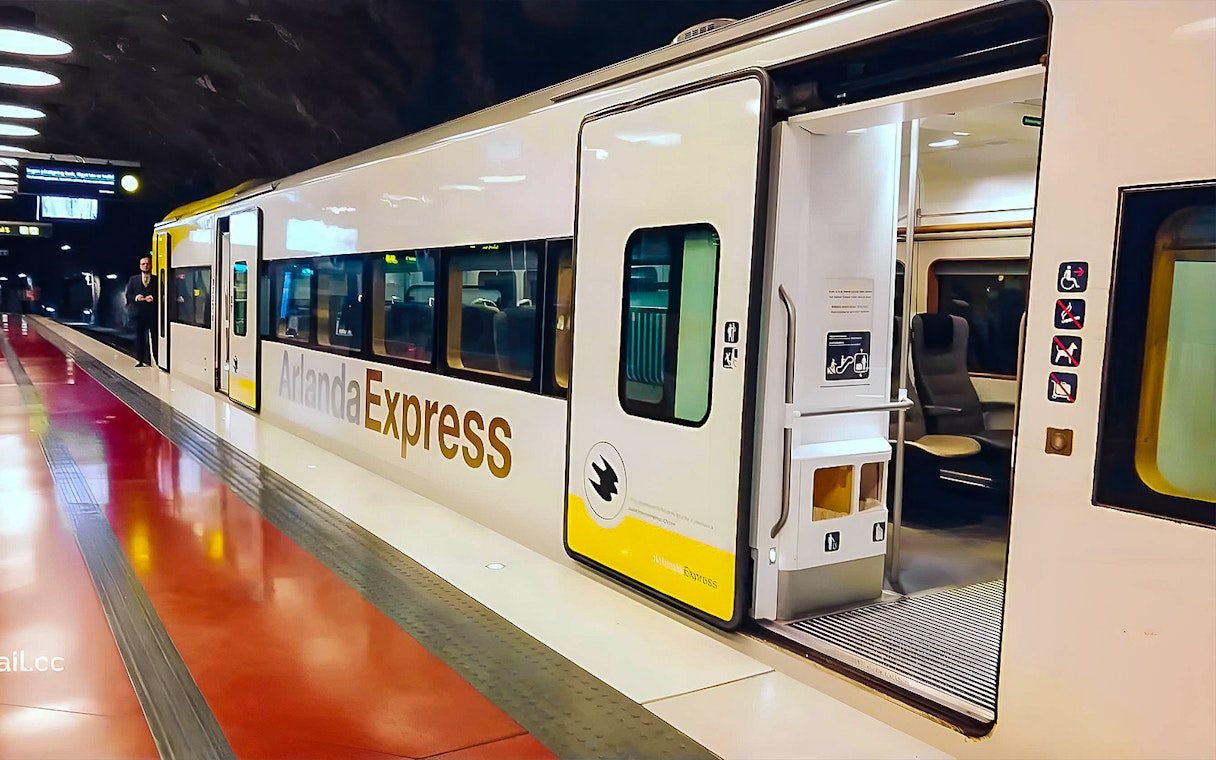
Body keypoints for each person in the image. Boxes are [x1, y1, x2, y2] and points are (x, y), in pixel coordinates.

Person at [125, 255, 158, 367]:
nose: (145, 265)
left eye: (147, 263)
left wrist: (154, 297)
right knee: (139, 336)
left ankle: (156, 358)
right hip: (138, 314)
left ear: (151, 265)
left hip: (152, 313)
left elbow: (162, 294)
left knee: (155, 336)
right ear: (140, 266)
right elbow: (128, 295)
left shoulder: (156, 279)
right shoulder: (133, 280)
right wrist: (136, 297)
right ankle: (140, 359)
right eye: (143, 264)